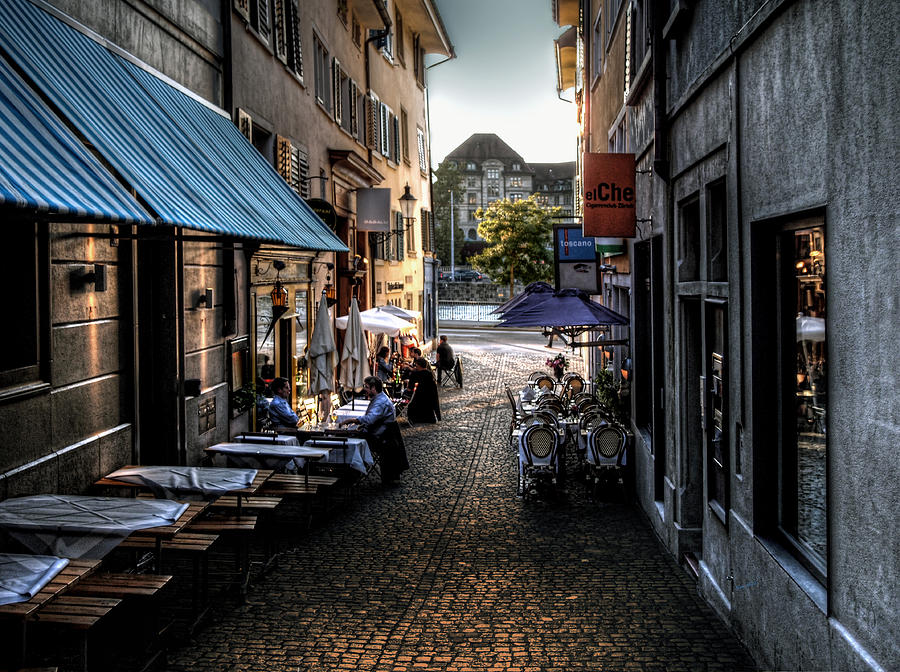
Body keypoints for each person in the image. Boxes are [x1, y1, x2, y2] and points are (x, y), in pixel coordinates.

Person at [339, 376, 408, 483]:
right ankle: (353, 470)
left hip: (380, 438)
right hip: (382, 434)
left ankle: (352, 472)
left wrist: (352, 420)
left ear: (374, 388)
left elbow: (370, 419)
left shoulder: (380, 402)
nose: (364, 389)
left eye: (366, 387)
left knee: (349, 442)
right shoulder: (379, 398)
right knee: (350, 437)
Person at [405, 357, 441, 424]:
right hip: (429, 402)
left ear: (418, 365)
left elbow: (409, 389)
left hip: (417, 400)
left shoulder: (415, 374)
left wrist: (407, 383)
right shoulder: (429, 374)